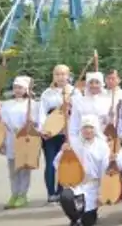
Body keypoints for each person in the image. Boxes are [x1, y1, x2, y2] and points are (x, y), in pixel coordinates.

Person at [55, 114, 110, 226]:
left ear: (95, 129)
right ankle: (75, 219)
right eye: (85, 127)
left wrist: (102, 193)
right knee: (65, 196)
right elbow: (57, 163)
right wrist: (63, 153)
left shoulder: (102, 146)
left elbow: (105, 171)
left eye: (90, 127)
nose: (88, 130)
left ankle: (87, 215)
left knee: (88, 222)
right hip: (76, 184)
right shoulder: (74, 144)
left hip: (93, 186)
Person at [37, 64, 80, 203]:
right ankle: (51, 193)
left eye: (63, 74)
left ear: (68, 76)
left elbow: (79, 113)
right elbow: (41, 113)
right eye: (57, 74)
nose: (61, 77)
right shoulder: (47, 93)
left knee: (65, 162)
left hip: (67, 133)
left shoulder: (75, 92)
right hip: (51, 133)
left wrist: (70, 108)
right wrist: (43, 129)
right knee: (50, 162)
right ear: (53, 76)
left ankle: (63, 191)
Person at [1, 75, 40, 209]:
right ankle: (14, 193)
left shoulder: (33, 105)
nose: (17, 90)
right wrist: (2, 141)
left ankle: (23, 194)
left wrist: (32, 122)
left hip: (26, 139)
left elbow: (38, 122)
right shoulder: (6, 104)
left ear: (27, 89)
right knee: (13, 169)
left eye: (20, 88)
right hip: (11, 138)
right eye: (15, 87)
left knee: (24, 167)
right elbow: (2, 123)